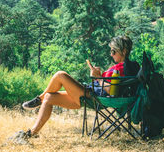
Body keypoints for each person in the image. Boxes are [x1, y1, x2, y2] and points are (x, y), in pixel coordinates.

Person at [9, 35, 140, 143]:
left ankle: (38, 99)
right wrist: (98, 76)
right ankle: (32, 133)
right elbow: (110, 86)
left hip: (93, 96)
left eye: (113, 51)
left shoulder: (122, 68)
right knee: (49, 98)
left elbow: (109, 90)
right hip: (91, 94)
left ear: (123, 51)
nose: (111, 55)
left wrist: (98, 77)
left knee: (60, 75)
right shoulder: (123, 67)